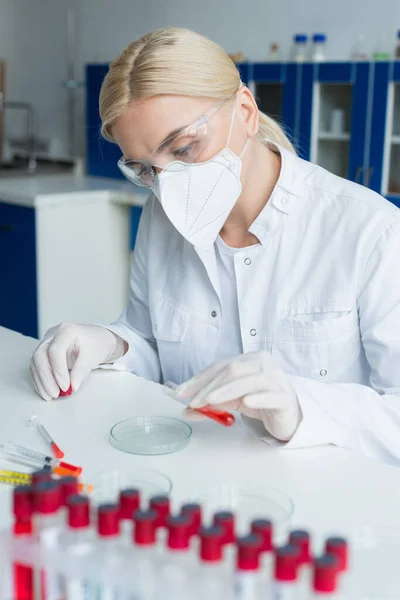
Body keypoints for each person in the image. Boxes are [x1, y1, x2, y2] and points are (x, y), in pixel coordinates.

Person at [31, 28, 400, 464]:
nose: (169, 188)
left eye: (185, 148)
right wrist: (111, 344)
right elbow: (153, 342)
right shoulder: (161, 218)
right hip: (194, 482)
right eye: (148, 170)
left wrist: (300, 404)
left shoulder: (369, 231)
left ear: (244, 111)